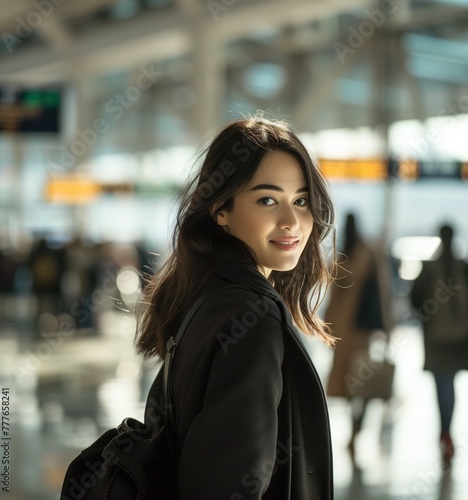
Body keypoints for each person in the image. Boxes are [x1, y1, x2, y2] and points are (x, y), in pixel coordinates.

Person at [135, 116, 337, 499]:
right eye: (267, 200)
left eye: (301, 201)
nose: (291, 221)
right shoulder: (253, 316)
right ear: (220, 209)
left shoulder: (205, 295)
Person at [410, 224, 468, 465]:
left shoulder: (429, 268)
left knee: (442, 383)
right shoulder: (465, 267)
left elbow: (415, 300)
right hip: (459, 337)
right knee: (450, 382)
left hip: (435, 336)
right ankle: (447, 432)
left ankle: (445, 432)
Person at [324, 213, 388, 457]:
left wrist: (328, 328)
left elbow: (333, 297)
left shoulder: (342, 256)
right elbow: (382, 293)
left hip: (344, 328)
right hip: (361, 330)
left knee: (352, 384)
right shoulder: (369, 254)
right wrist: (387, 326)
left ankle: (355, 430)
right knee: (362, 382)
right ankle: (356, 429)